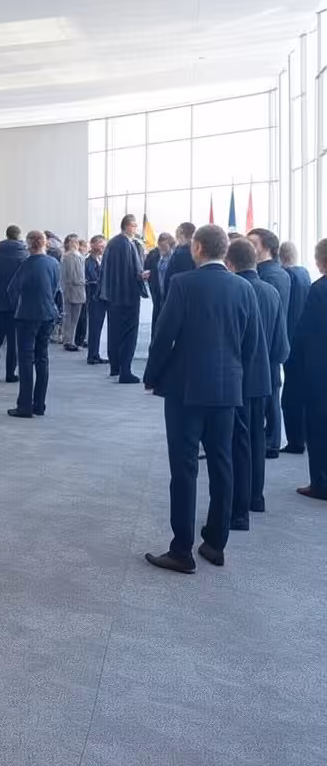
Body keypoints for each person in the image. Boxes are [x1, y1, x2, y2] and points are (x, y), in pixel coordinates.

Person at [144, 225, 266, 573]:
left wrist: (152, 376)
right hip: (227, 391)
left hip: (185, 391)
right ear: (225, 250)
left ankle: (181, 550)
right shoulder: (244, 288)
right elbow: (252, 344)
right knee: (222, 464)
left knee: (184, 469)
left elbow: (164, 336)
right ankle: (215, 543)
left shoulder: (183, 284)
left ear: (197, 248)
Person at [225, 237, 287, 529]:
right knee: (257, 438)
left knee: (237, 444)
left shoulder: (234, 291)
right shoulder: (272, 292)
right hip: (264, 377)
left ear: (230, 262)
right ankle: (256, 498)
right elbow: (281, 346)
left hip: (237, 380)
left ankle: (238, 508)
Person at [6, 230, 60, 419]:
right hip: (47, 314)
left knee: (26, 360)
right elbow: (55, 288)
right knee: (42, 358)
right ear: (45, 243)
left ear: (28, 244)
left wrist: (18, 306)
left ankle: (25, 405)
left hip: (27, 315)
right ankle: (39, 404)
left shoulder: (26, 264)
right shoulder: (54, 263)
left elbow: (12, 289)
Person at [247, 227, 291, 458]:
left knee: (270, 391)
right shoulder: (275, 273)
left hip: (267, 341)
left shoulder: (271, 276)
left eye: (253, 243)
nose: (249, 247)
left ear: (267, 248)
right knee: (271, 390)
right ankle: (270, 440)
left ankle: (271, 442)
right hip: (271, 341)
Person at [289, 238, 327, 501]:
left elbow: (304, 333)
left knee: (318, 427)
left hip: (320, 372)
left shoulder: (319, 290)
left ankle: (321, 484)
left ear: (320, 261)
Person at [99, 214, 147, 383]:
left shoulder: (112, 243)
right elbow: (132, 271)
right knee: (129, 334)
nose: (136, 229)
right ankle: (125, 370)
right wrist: (142, 275)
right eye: (134, 225)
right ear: (127, 226)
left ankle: (115, 367)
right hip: (128, 297)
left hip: (113, 296)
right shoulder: (127, 244)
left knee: (114, 332)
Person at [278, 241, 312, 455]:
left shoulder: (287, 277)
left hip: (290, 339)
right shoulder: (305, 274)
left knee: (290, 395)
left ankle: (295, 440)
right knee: (301, 391)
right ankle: (303, 436)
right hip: (303, 341)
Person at [0, 225, 27, 384]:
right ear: (18, 235)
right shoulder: (24, 255)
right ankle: (10, 373)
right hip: (16, 304)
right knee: (13, 342)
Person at [143, 232, 175, 337]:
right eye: (160, 245)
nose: (162, 248)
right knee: (157, 318)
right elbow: (146, 267)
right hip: (157, 291)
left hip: (169, 292)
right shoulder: (153, 254)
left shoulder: (175, 256)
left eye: (165, 246)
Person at [60, 233, 86, 352]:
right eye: (73, 241)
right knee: (70, 316)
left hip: (77, 289)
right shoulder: (69, 256)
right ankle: (68, 340)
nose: (75, 243)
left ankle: (71, 340)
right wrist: (82, 282)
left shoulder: (78, 255)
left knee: (74, 317)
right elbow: (72, 275)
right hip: (72, 289)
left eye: (76, 241)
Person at [85, 235, 107, 364]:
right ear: (92, 245)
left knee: (98, 327)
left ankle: (96, 353)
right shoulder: (90, 261)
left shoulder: (101, 259)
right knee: (94, 327)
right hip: (94, 298)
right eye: (100, 243)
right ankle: (92, 355)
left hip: (100, 297)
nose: (102, 246)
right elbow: (93, 278)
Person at [162, 222, 196, 297]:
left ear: (181, 232)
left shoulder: (186, 252)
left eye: (178, 228)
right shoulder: (180, 249)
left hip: (177, 295)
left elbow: (184, 277)